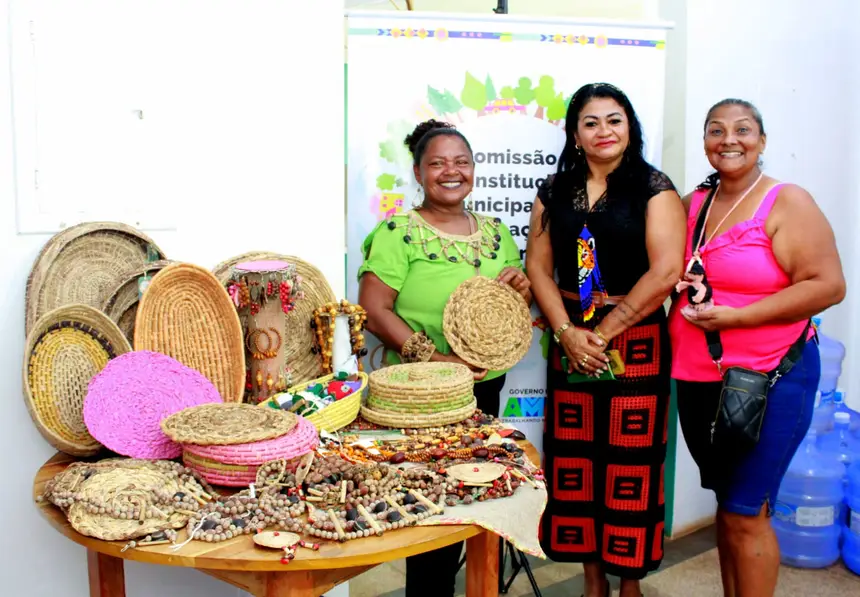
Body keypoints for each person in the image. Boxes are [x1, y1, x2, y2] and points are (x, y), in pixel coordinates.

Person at [669, 99, 845, 597]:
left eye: (743, 129)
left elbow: (828, 285)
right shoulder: (694, 205)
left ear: (762, 141)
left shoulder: (786, 202)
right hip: (701, 375)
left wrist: (739, 316)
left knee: (747, 510)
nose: (729, 139)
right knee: (729, 504)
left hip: (771, 377)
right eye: (715, 130)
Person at [357, 118, 532, 597]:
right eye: (438, 163)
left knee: (482, 501)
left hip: (485, 389)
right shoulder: (398, 232)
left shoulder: (496, 233)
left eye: (461, 162)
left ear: (474, 169)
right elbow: (374, 310)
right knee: (432, 515)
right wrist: (435, 358)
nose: (450, 171)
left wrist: (522, 285)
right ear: (418, 172)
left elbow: (509, 299)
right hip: (423, 398)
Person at [526, 83, 686, 597]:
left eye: (614, 120)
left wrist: (601, 334)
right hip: (571, 333)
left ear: (630, 127)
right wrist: (569, 333)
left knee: (631, 462)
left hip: (635, 338)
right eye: (591, 122)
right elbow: (539, 266)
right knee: (574, 459)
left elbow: (665, 273)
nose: (603, 132)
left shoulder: (653, 187)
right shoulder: (554, 190)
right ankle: (592, 579)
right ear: (575, 133)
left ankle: (630, 580)